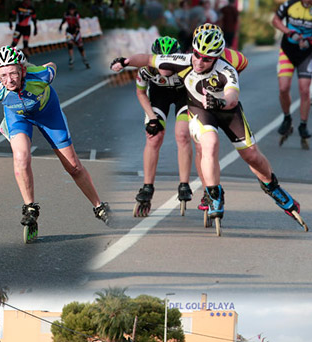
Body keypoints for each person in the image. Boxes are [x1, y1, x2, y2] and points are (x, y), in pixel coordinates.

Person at [112, 24, 307, 230]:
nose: (199, 61)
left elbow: (232, 97)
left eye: (207, 58)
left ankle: (272, 186)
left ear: (216, 57)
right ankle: (214, 193)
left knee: (252, 156)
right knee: (209, 144)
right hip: (199, 109)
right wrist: (125, 61)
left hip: (227, 111)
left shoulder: (227, 69)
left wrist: (221, 102)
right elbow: (147, 59)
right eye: (197, 54)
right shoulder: (185, 60)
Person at [0, 46, 110, 240]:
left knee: (73, 167)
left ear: (23, 71)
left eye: (13, 73)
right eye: (3, 75)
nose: (9, 80)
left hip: (47, 113)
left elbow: (51, 65)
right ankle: (30, 208)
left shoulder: (41, 76)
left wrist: (41, 66)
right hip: (18, 117)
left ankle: (99, 206)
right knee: (21, 157)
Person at [133, 35, 193, 217]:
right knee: (154, 137)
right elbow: (141, 93)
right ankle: (147, 187)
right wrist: (151, 117)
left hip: (184, 95)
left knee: (182, 134)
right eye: (162, 62)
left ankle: (184, 184)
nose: (165, 67)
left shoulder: (187, 68)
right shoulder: (146, 70)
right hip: (159, 96)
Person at [272, 0, 312, 145]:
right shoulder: (290, 4)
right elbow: (275, 20)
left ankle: (303, 125)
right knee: (283, 88)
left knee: (304, 90)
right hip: (287, 51)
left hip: (307, 54)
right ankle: (287, 118)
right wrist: (289, 32)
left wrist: (309, 40)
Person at [59, 5, 91, 69]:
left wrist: (75, 34)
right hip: (69, 32)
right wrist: (60, 27)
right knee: (70, 44)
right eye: (70, 10)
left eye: (73, 10)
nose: (71, 11)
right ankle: (71, 59)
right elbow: (63, 21)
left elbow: (78, 26)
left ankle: (84, 59)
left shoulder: (76, 15)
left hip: (76, 32)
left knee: (80, 47)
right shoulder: (66, 14)